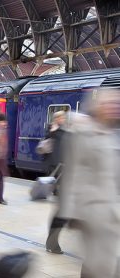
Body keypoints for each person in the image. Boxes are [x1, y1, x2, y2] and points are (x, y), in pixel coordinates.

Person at [58, 89, 120, 278]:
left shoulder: (112, 135)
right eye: (110, 104)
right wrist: (71, 213)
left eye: (117, 104)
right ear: (99, 107)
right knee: (99, 264)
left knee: (106, 262)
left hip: (111, 210)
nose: (115, 108)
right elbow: (73, 173)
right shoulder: (84, 133)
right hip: (90, 212)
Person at [45, 111, 68, 254]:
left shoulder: (65, 132)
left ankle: (52, 242)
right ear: (56, 119)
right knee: (62, 210)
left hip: (66, 174)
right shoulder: (52, 133)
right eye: (61, 117)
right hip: (58, 174)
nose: (63, 119)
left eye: (64, 117)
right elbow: (48, 154)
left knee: (62, 210)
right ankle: (52, 243)